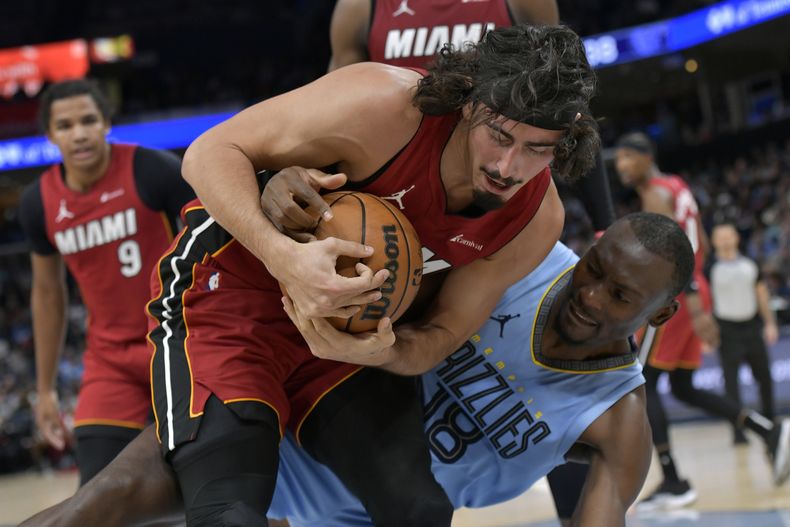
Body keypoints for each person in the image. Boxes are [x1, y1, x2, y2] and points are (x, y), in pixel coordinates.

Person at [143, 24, 598, 526]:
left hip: (346, 340)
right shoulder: (382, 103)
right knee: (229, 515)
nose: (508, 167)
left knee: (420, 510)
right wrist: (283, 257)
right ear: (470, 102)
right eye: (500, 136)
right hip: (232, 297)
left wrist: (380, 351)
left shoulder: (536, 221)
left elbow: (441, 333)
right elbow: (209, 151)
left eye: (538, 149)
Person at [23, 212, 722, 527]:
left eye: (620, 296)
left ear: (657, 316)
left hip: (379, 511)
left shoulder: (618, 421)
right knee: (101, 503)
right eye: (595, 268)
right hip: (299, 417)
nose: (590, 296)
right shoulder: (523, 261)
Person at [328, 4, 615, 522]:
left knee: (558, 372)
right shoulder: (362, 7)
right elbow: (336, 93)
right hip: (394, 208)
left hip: (497, 204)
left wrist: (603, 225)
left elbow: (567, 101)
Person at [17, 79, 195, 485]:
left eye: (88, 120)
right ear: (49, 135)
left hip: (180, 341)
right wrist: (44, 389)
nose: (78, 133)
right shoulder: (37, 203)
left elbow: (212, 236)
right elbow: (47, 294)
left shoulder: (152, 169)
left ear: (106, 123)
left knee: (202, 476)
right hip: (110, 359)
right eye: (64, 125)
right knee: (97, 490)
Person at [614, 132, 790, 511]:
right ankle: (767, 430)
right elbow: (702, 243)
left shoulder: (655, 193)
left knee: (639, 383)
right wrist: (700, 294)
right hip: (692, 289)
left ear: (647, 157)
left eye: (628, 158)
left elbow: (675, 249)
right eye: (618, 161)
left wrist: (691, 300)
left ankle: (674, 481)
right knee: (682, 387)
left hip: (674, 294)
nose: (621, 166)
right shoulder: (678, 185)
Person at [710, 222, 779, 444]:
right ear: (713, 241)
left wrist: (770, 323)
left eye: (729, 235)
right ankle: (738, 430)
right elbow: (705, 301)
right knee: (731, 384)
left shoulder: (750, 264)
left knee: (765, 378)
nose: (726, 240)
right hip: (726, 330)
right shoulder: (709, 268)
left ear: (736, 238)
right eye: (720, 237)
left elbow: (761, 295)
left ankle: (770, 424)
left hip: (751, 326)